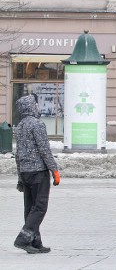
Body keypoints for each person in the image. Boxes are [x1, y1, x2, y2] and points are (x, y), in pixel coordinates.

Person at [13, 95, 60, 254]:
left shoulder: (19, 126)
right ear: (31, 107)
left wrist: (20, 177)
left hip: (25, 172)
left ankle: (34, 242)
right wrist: (54, 170)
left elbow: (18, 154)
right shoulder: (37, 124)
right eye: (35, 104)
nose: (37, 107)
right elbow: (44, 150)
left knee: (30, 208)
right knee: (39, 207)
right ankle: (23, 239)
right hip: (39, 172)